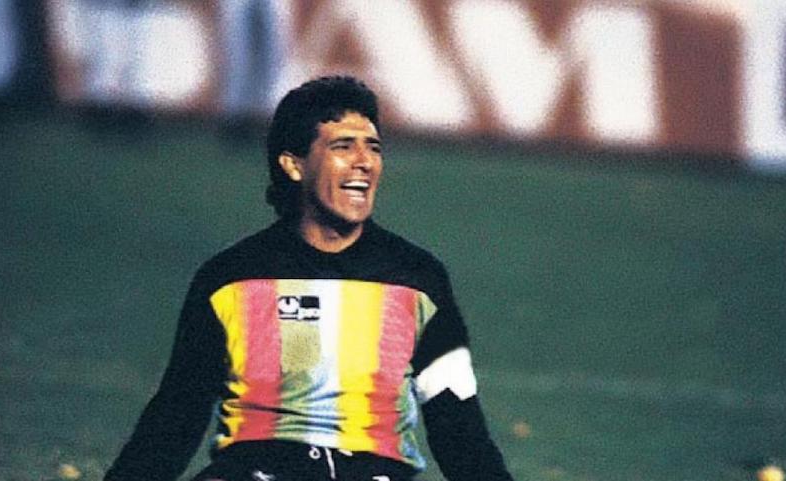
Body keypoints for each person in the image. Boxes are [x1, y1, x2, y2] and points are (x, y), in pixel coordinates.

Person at [104, 76, 514, 481]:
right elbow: (177, 416)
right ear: (294, 164)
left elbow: (459, 428)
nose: (364, 161)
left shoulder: (418, 280)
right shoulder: (229, 279)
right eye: (343, 146)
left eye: (373, 147)